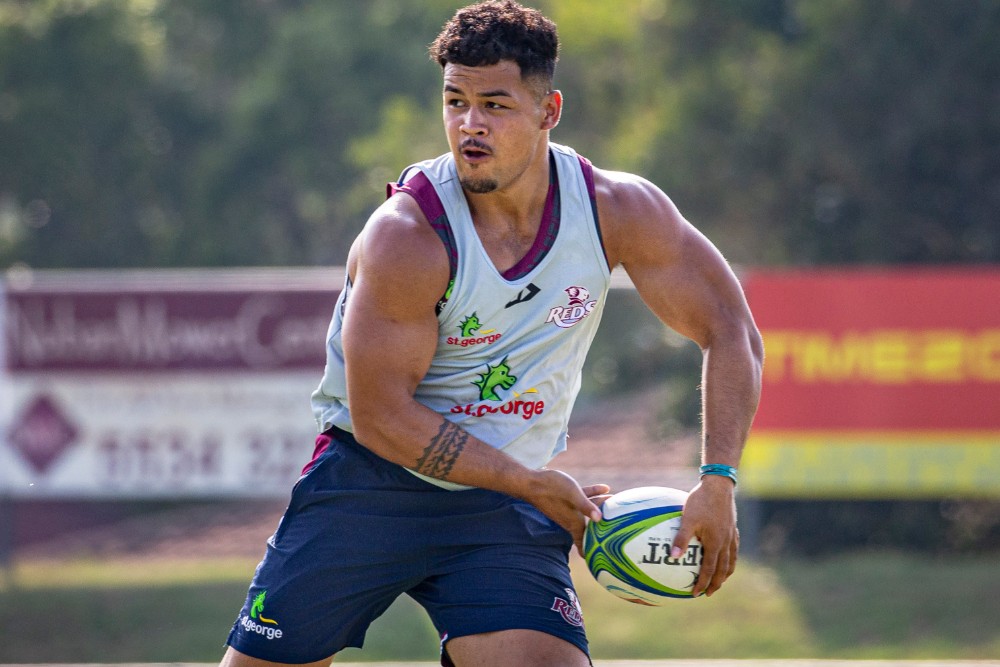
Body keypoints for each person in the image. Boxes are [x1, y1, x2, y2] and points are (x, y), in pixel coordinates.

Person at [221, 1, 763, 666]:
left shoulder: (618, 211)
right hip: (369, 484)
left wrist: (718, 479)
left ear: (548, 111)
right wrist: (530, 484)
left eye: (495, 105)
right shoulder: (408, 236)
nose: (469, 125)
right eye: (456, 102)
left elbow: (731, 329)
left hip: (500, 507)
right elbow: (383, 418)